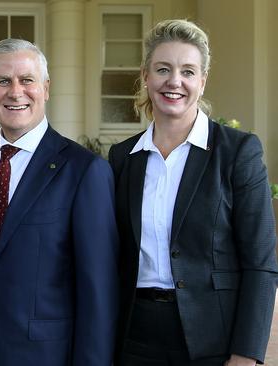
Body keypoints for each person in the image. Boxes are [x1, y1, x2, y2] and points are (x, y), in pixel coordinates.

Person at [0, 38, 119, 365]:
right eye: (3, 81)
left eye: (27, 80)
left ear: (46, 89)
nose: (15, 91)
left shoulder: (84, 171)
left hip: (46, 354)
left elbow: (98, 291)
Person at [108, 19, 278, 366]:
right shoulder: (123, 158)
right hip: (134, 337)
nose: (175, 81)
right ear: (146, 76)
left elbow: (261, 263)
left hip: (212, 339)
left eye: (188, 71)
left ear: (202, 81)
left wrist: (246, 355)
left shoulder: (237, 152)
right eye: (163, 69)